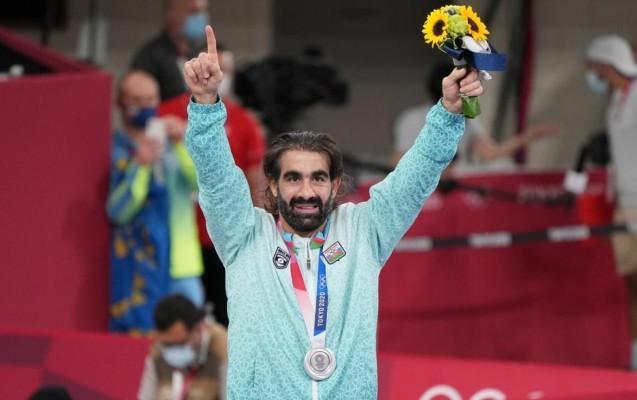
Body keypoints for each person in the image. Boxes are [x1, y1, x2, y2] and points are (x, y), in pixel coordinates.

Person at [182, 25, 482, 399]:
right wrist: (206, 105)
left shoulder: (364, 231)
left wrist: (449, 114)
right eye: (293, 178)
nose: (306, 191)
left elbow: (414, 177)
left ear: (335, 184)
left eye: (318, 178)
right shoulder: (243, 236)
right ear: (272, 185)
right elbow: (216, 178)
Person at [154, 43, 267, 326]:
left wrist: (259, 235)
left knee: (225, 318)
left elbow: (257, 183)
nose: (222, 76)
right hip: (173, 238)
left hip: (223, 239)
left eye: (227, 70)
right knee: (174, 321)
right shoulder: (164, 114)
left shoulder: (244, 122)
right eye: (217, 68)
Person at [107, 70, 204, 334]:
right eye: (136, 100)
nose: (145, 106)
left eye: (150, 99)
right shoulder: (115, 150)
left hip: (181, 265)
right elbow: (119, 212)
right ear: (120, 103)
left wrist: (184, 143)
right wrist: (140, 165)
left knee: (191, 342)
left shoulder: (173, 143)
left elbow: (202, 185)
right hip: (139, 269)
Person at [391, 61, 559, 170]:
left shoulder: (467, 119)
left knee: (502, 167)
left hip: (456, 190)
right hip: (423, 190)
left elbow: (490, 153)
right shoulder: (411, 120)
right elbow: (397, 161)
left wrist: (530, 135)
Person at [585, 34, 637, 371]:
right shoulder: (615, 102)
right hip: (624, 205)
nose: (591, 76)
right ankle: (635, 357)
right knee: (632, 285)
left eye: (593, 68)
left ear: (606, 66)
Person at [138, 294, 228, 400]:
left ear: (198, 329)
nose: (173, 349)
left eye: (180, 344)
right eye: (167, 344)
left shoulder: (222, 346)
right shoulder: (158, 348)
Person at [131, 0, 210, 101]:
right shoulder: (149, 57)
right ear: (171, 14)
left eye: (203, 11)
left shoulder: (196, 55)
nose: (199, 17)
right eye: (193, 11)